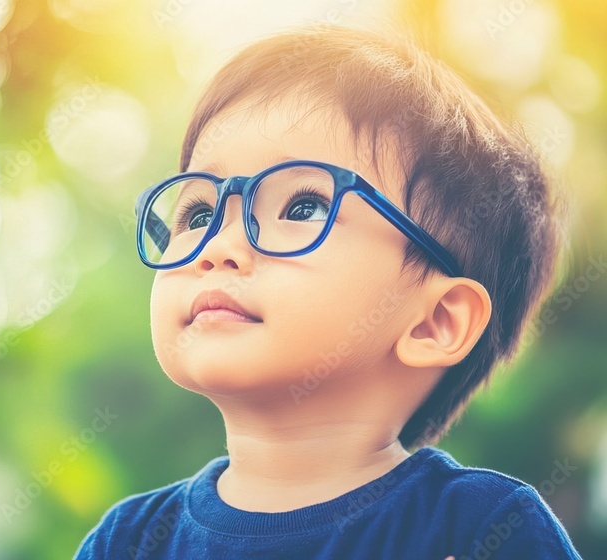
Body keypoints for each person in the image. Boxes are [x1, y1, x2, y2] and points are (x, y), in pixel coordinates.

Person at [73, 24, 583, 559]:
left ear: (435, 321)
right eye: (199, 212)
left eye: (302, 207)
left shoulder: (478, 530)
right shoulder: (127, 542)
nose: (217, 246)